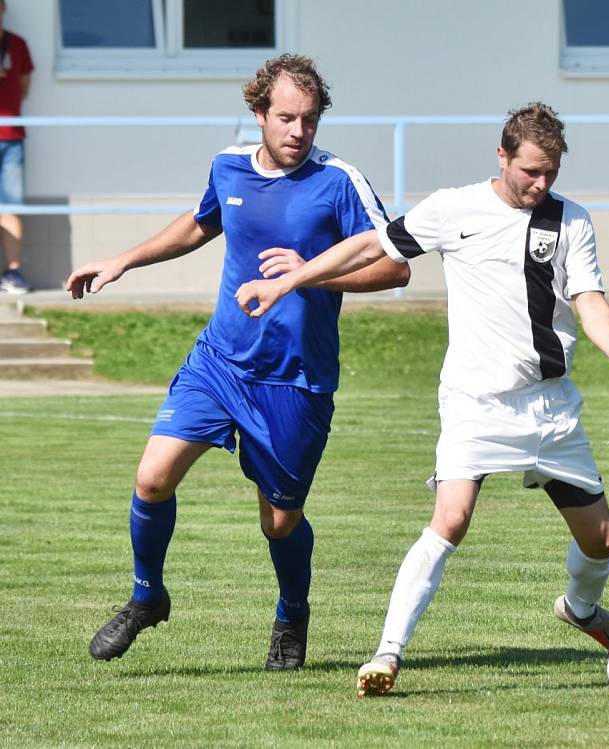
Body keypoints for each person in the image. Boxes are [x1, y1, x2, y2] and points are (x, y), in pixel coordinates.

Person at [234, 102, 609, 697]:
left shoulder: (571, 221)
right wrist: (289, 280)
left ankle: (582, 611)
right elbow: (368, 246)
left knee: (602, 541)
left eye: (551, 174)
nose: (541, 184)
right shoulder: (452, 208)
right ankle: (386, 655)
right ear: (502, 156)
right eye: (530, 172)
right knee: (451, 518)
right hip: (475, 402)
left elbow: (587, 296)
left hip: (550, 408)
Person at [65, 54, 409, 669]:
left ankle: (291, 617)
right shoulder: (228, 166)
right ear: (259, 114)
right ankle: (147, 596)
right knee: (152, 477)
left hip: (295, 381)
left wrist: (307, 278)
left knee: (279, 522)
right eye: (285, 118)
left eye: (309, 119)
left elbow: (396, 266)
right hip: (220, 362)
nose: (298, 132)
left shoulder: (340, 182)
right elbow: (201, 225)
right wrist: (123, 259)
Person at [0, 0, 33, 294]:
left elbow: (23, 87)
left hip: (11, 137)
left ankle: (13, 273)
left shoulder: (17, 45)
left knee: (11, 204)